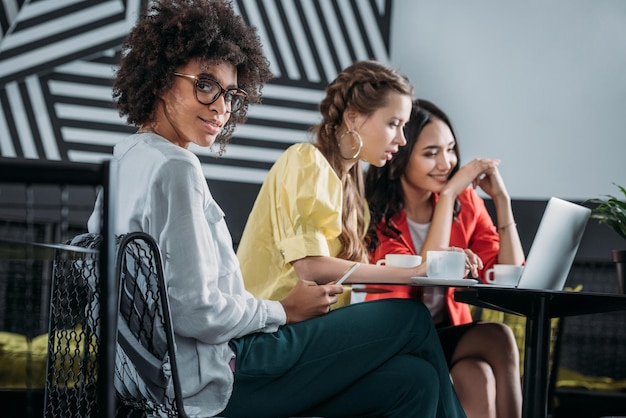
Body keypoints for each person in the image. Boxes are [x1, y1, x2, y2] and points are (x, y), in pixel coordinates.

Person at [88, 2, 467, 417]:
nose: (221, 107)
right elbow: (197, 311)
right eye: (205, 85)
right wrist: (284, 310)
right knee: (410, 319)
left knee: (414, 381)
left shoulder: (126, 160)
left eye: (231, 94)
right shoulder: (177, 168)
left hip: (163, 379)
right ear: (161, 80)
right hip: (219, 374)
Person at [364, 99, 524, 418]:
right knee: (497, 335)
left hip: (446, 334)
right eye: (430, 153)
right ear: (399, 159)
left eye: (450, 149)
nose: (447, 163)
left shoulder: (466, 203)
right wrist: (448, 195)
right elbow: (425, 271)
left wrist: (501, 200)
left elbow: (511, 274)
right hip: (399, 337)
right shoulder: (375, 214)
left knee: (476, 374)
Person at [238, 60, 437, 307]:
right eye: (393, 124)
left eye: (403, 127)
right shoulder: (306, 162)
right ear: (352, 117)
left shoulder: (354, 198)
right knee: (410, 318)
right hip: (270, 325)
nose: (402, 140)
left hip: (314, 324)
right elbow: (310, 267)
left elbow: (356, 275)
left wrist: (434, 264)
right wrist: (411, 273)